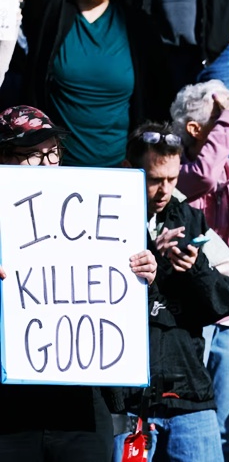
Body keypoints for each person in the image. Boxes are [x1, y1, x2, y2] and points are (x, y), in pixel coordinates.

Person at [0, 104, 157, 461]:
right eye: (31, 154)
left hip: (80, 408)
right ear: (3, 157)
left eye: (52, 152)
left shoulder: (88, 202)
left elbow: (116, 293)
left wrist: (144, 273)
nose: (46, 164)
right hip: (9, 415)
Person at [110, 122, 229, 462]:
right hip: (126, 401)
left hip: (187, 393)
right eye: (155, 179)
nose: (165, 190)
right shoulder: (103, 220)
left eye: (172, 179)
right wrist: (151, 257)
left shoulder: (189, 218)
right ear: (128, 170)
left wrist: (194, 267)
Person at [169, 81, 229, 461]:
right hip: (187, 317)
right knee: (186, 427)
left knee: (227, 431)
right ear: (196, 130)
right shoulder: (176, 170)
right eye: (221, 115)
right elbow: (203, 176)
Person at [21, 0, 158, 167]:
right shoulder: (52, 15)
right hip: (59, 172)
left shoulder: (138, 27)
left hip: (121, 173)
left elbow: (156, 101)